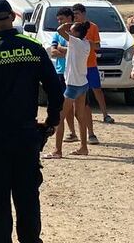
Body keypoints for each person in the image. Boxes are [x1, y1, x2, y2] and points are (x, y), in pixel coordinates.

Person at [0, 0, 65, 243]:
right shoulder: (34, 48)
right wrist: (51, 122)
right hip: (27, 137)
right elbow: (55, 90)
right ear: (13, 19)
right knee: (27, 197)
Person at [71, 3, 111, 144]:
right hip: (76, 69)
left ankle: (104, 114)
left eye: (77, 13)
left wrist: (85, 43)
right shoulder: (71, 29)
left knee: (96, 91)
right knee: (79, 101)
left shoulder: (92, 27)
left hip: (90, 65)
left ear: (83, 13)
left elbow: (98, 46)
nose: (75, 16)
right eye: (73, 14)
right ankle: (75, 133)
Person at [45, 8, 78, 156]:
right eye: (58, 20)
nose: (60, 22)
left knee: (76, 109)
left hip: (73, 75)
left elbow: (78, 49)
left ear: (70, 18)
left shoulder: (77, 33)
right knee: (65, 108)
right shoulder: (57, 34)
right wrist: (67, 50)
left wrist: (63, 49)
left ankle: (61, 148)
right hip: (60, 73)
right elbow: (53, 52)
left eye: (62, 19)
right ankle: (72, 133)